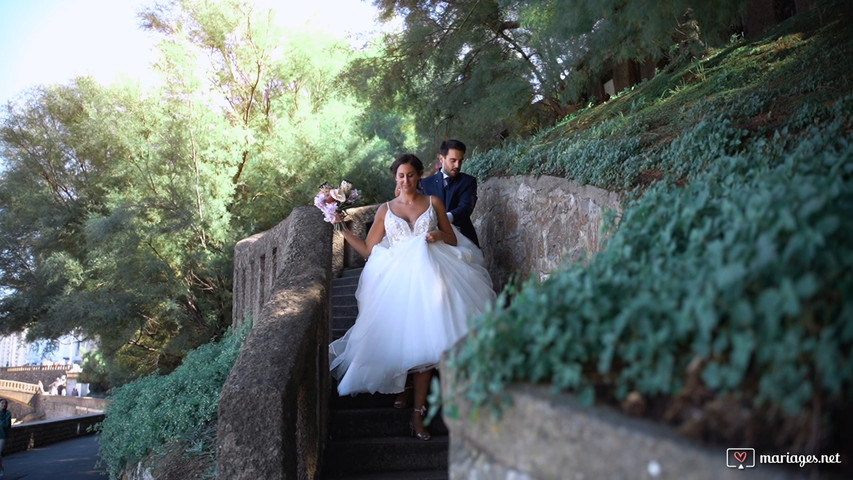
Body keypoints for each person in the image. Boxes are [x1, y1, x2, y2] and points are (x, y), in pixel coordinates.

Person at [330, 153, 496, 440]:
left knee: (428, 344)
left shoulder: (434, 203)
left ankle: (418, 415)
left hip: (433, 276)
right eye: (400, 176)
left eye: (410, 174)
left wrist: (437, 236)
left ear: (420, 176)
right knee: (399, 336)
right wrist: (341, 228)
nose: (405, 180)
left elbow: (452, 237)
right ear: (396, 179)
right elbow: (369, 250)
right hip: (396, 282)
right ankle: (404, 390)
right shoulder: (385, 210)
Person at [421, 139, 480, 247]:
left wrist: (443, 219)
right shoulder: (425, 184)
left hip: (463, 239)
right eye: (453, 160)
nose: (457, 165)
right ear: (442, 159)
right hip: (432, 242)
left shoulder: (468, 181)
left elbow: (465, 207)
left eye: (460, 161)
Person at [0, 398, 11, 477]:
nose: (4, 405)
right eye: (2, 403)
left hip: (2, 435)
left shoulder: (8, 413)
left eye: (5, 403)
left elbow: (6, 425)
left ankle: (1, 469)